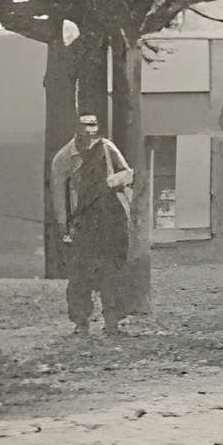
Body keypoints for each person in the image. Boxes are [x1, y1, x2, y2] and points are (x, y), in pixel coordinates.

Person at [48, 111, 136, 335]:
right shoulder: (63, 158)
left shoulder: (107, 148)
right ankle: (81, 323)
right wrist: (65, 229)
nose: (89, 132)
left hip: (110, 219)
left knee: (111, 271)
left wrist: (113, 181)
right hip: (82, 222)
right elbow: (59, 198)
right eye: (85, 127)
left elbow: (128, 173)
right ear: (76, 129)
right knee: (80, 275)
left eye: (93, 126)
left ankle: (112, 321)